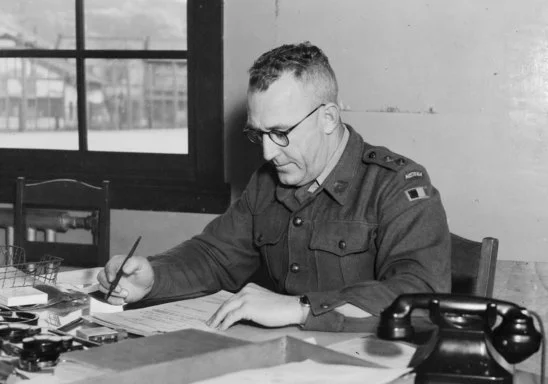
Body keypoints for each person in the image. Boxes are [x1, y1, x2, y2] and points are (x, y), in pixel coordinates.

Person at [97, 41, 451, 333]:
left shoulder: (394, 185)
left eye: (281, 133)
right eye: (258, 134)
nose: (268, 152)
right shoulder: (270, 180)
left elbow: (420, 295)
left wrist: (299, 309)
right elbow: (215, 255)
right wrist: (155, 276)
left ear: (328, 118)